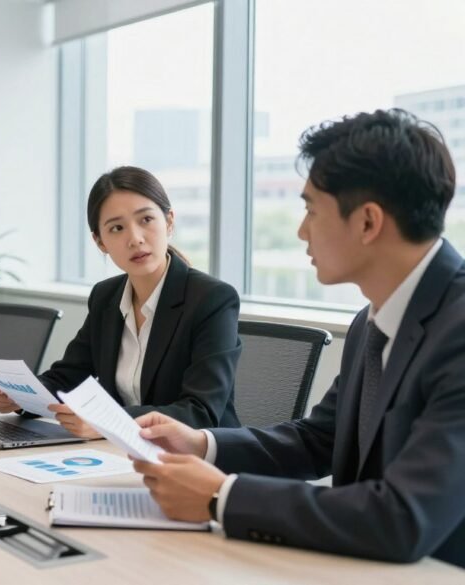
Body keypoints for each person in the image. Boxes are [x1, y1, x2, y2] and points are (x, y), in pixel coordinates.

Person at [131, 109, 465, 567]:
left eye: (311, 210)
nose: (301, 230)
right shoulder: (372, 320)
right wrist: (204, 445)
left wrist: (221, 497)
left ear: (368, 222)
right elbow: (318, 441)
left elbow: (403, 517)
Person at [0, 166, 242, 435]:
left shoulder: (211, 299)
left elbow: (200, 412)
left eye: (146, 220)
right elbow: (68, 378)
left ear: (169, 221)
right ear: (100, 242)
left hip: (198, 462)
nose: (135, 239)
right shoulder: (105, 297)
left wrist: (108, 421)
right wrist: (21, 396)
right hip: (121, 455)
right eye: (117, 228)